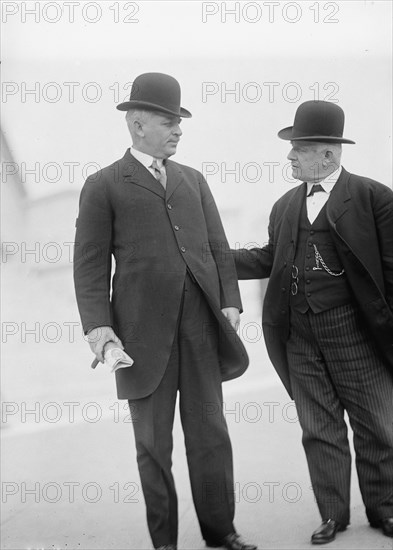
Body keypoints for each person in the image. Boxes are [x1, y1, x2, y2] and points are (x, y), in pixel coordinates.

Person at [73, 72, 256, 550]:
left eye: (179, 123)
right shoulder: (103, 185)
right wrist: (100, 331)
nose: (178, 131)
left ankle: (223, 533)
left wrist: (231, 301)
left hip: (200, 329)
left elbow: (217, 248)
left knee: (211, 436)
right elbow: (89, 266)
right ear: (137, 125)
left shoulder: (193, 180)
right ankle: (165, 544)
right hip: (141, 339)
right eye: (168, 122)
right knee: (153, 448)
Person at [233, 101, 393, 545]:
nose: (290, 158)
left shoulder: (374, 198)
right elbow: (269, 258)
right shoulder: (285, 206)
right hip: (299, 333)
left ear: (329, 154)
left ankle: (386, 509)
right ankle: (333, 515)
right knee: (317, 427)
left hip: (354, 330)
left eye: (299, 149)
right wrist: (213, 260)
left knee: (377, 425)